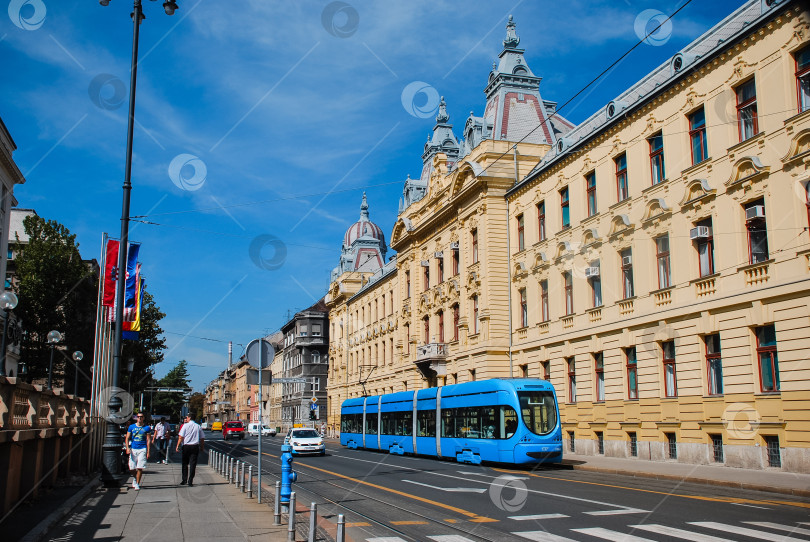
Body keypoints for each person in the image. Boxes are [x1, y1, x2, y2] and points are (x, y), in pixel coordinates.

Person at [125, 413, 153, 490]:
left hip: (142, 448)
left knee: (140, 467)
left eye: (141, 417)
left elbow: (148, 440)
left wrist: (148, 451)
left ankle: (137, 483)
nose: (139, 418)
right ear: (136, 418)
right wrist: (127, 448)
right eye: (138, 417)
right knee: (132, 467)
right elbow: (127, 438)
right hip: (133, 448)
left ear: (143, 418)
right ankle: (134, 477)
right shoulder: (131, 427)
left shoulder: (147, 428)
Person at [176, 414, 204, 487]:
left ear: (190, 418)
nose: (186, 419)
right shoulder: (198, 426)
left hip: (186, 446)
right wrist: (202, 447)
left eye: (187, 417)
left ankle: (184, 479)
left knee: (185, 463)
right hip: (195, 446)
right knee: (193, 464)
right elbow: (202, 438)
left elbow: (181, 437)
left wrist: (177, 446)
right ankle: (190, 480)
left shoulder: (185, 426)